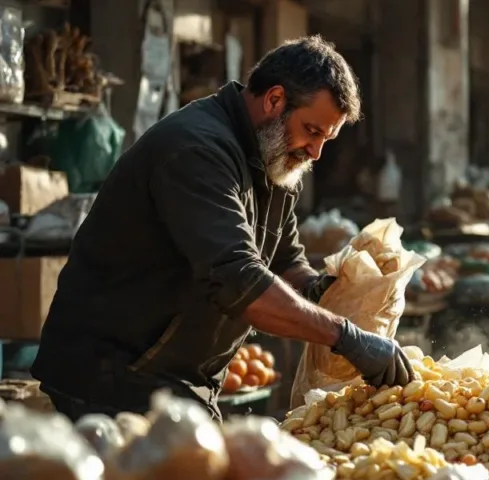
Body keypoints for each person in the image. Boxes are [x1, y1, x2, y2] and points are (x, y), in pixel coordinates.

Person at [32, 36, 414, 422]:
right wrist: (344, 336)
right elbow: (239, 281)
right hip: (110, 376)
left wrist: (328, 292)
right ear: (275, 100)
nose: (316, 152)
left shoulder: (277, 159)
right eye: (312, 131)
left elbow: (285, 262)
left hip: (177, 379)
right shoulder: (197, 149)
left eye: (326, 139)